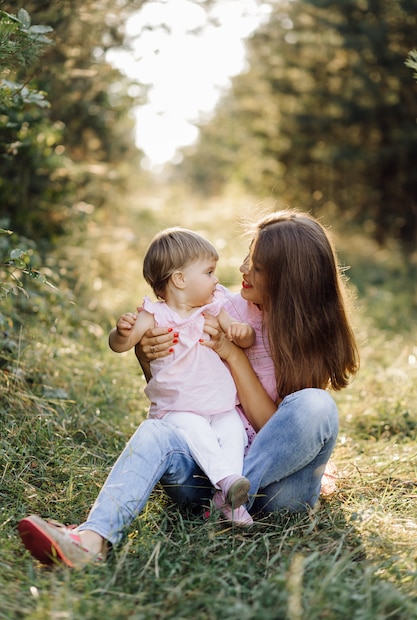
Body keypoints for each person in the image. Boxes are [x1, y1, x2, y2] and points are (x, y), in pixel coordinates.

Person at [18, 209, 359, 569]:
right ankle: (90, 540)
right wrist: (146, 353)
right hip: (205, 468)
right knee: (156, 431)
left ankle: (231, 496)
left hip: (276, 490)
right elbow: (180, 389)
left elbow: (276, 431)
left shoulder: (311, 332)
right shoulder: (222, 307)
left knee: (317, 406)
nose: (242, 268)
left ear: (287, 278)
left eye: (256, 265)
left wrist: (232, 354)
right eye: (248, 255)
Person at [109, 227, 255, 526]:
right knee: (196, 432)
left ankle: (226, 501)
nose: (216, 279)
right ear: (180, 279)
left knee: (234, 434)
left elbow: (242, 336)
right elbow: (121, 345)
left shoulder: (213, 308)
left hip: (221, 405)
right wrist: (120, 332)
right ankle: (227, 483)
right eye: (209, 271)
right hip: (179, 408)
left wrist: (243, 332)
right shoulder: (155, 315)